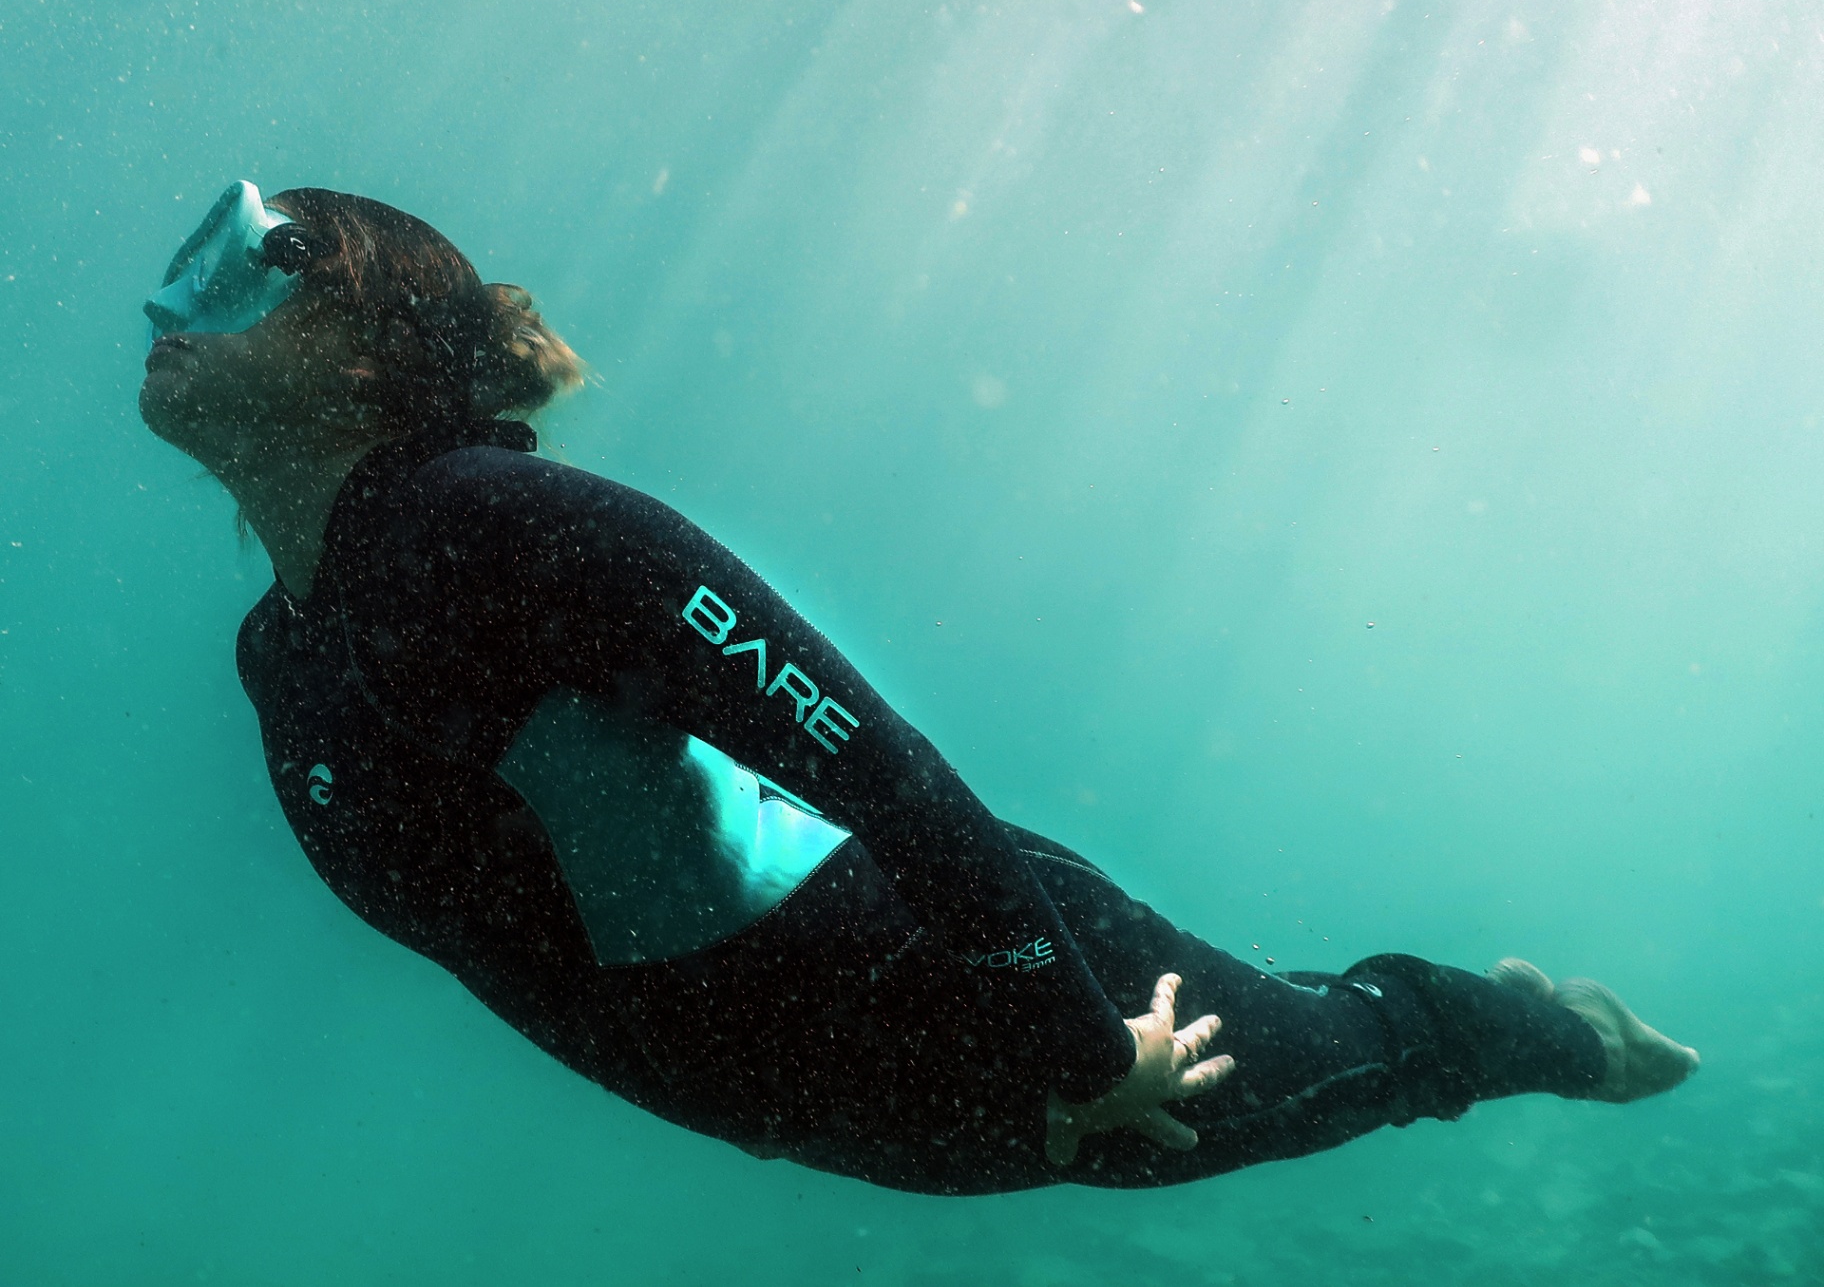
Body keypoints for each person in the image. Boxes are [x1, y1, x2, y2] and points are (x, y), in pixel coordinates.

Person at [138, 181, 1699, 1195]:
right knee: (1263, 1040)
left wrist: (1084, 1054)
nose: (172, 310)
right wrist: (820, 1120)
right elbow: (526, 972)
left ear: (364, 352)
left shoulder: (502, 527)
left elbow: (880, 769)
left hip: (992, 1002)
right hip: (843, 1109)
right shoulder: (283, 662)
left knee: (1348, 1059)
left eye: (251, 268)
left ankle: (1561, 1036)